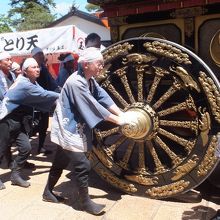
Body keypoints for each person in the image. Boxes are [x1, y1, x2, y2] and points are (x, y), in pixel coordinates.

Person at [42, 47, 129, 215]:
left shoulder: (87, 78)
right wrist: (118, 121)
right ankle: (85, 203)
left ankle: (47, 192)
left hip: (74, 125)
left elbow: (101, 95)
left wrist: (120, 113)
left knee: (60, 160)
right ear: (87, 64)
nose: (101, 66)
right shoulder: (76, 82)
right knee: (82, 165)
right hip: (67, 126)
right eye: (99, 63)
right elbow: (92, 105)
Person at [0, 58, 59, 190]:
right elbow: (44, 94)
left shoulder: (33, 82)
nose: (37, 69)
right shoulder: (24, 84)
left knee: (26, 148)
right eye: (33, 67)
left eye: (38, 67)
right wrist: (62, 95)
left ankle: (15, 175)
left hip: (18, 121)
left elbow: (43, 94)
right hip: (5, 120)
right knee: (1, 150)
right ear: (25, 71)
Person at [31, 47, 59, 154]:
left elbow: (51, 82)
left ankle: (40, 147)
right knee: (34, 126)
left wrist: (57, 89)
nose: (42, 56)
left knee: (44, 126)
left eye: (42, 54)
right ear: (34, 57)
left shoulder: (43, 68)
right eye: (39, 54)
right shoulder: (31, 69)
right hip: (35, 103)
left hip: (45, 101)